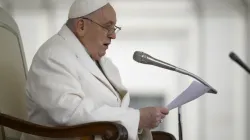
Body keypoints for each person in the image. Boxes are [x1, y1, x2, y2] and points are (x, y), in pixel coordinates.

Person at [21, 0, 169, 140]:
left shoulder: (104, 63)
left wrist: (138, 123)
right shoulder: (53, 56)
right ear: (81, 26)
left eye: (114, 28)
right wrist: (137, 119)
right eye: (107, 27)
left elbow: (117, 109)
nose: (113, 35)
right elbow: (70, 114)